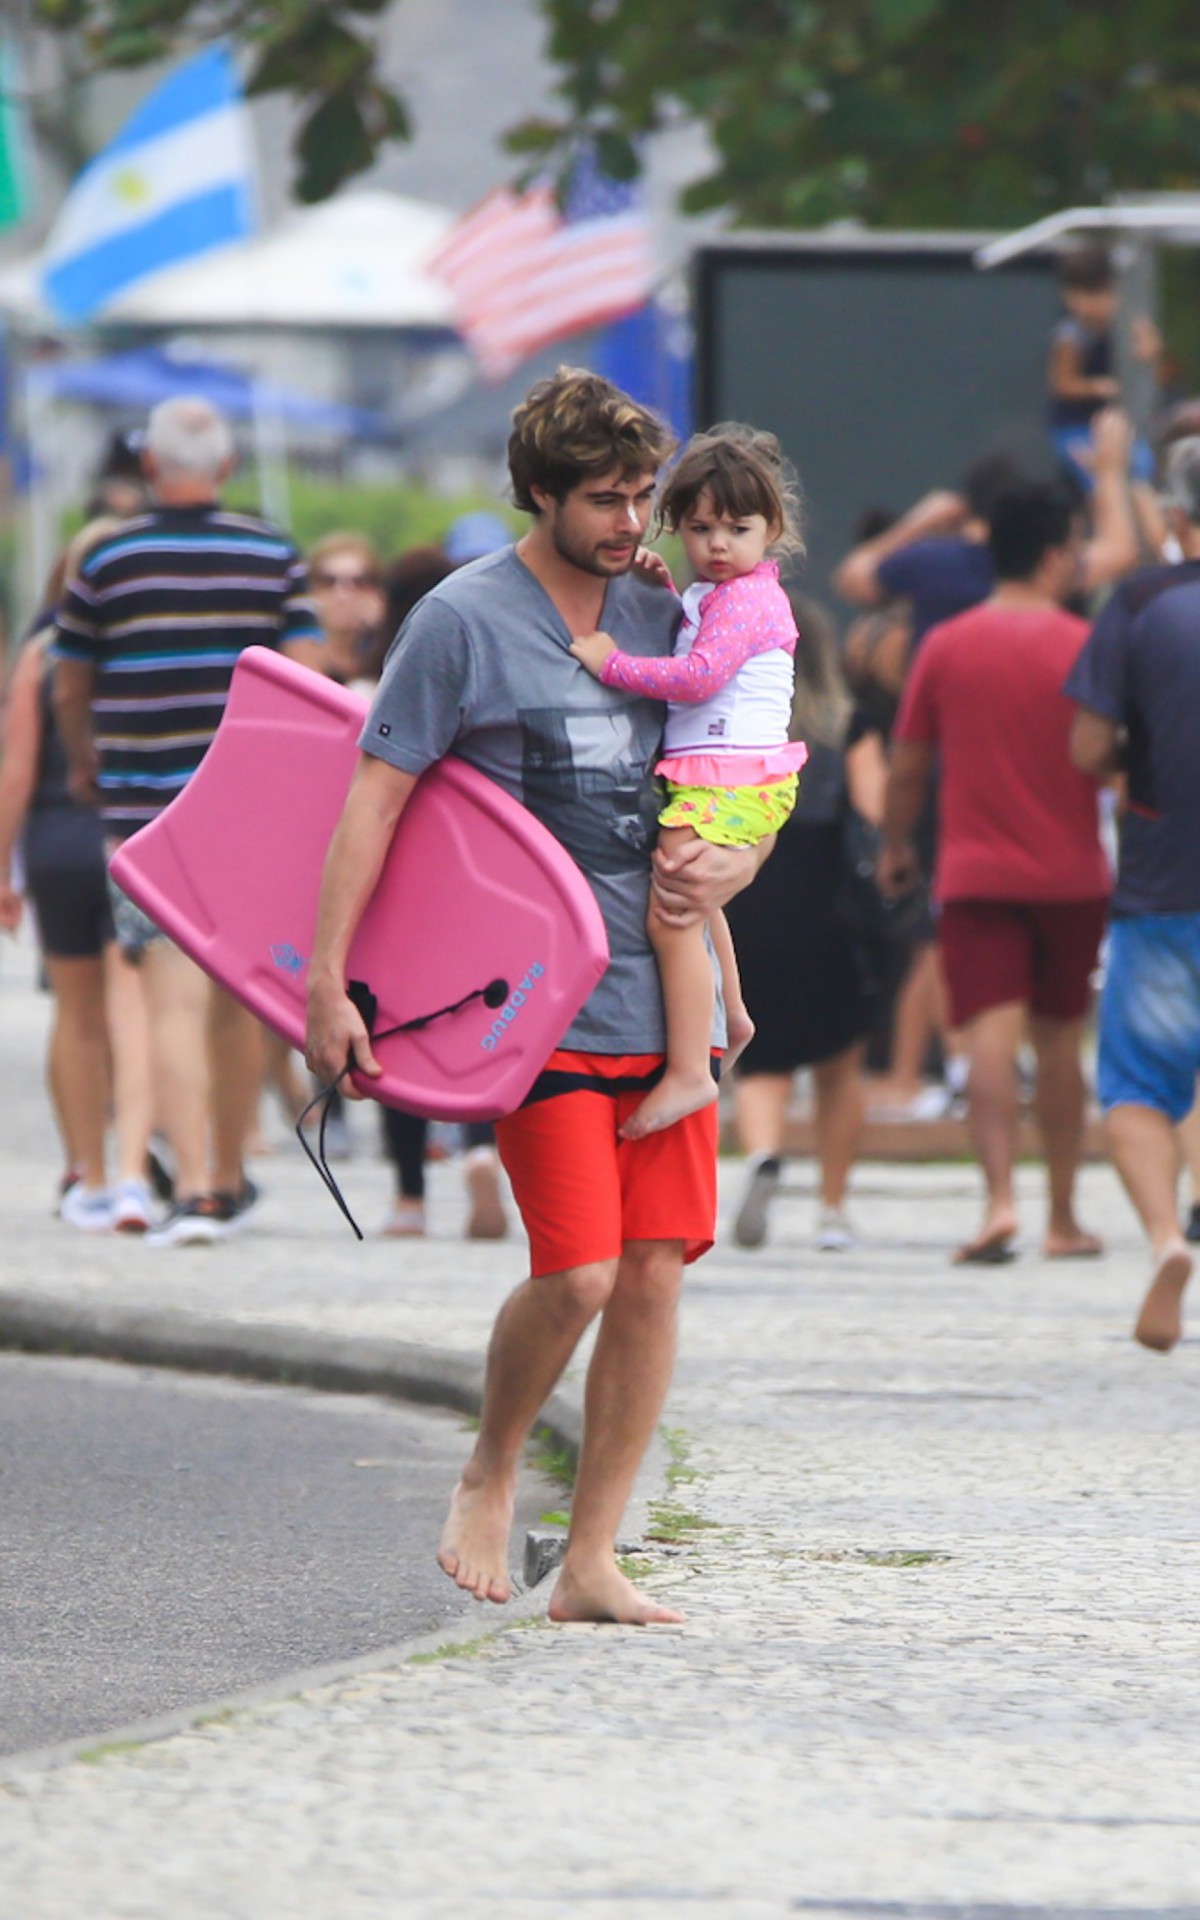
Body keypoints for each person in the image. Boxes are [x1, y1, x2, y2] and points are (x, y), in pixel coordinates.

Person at [305, 367, 767, 1624]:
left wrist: (745, 859)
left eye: (643, 498)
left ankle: (595, 1559)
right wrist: (326, 982)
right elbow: (375, 802)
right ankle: (493, 1466)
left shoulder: (673, 612)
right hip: (529, 1004)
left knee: (656, 1277)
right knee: (580, 1273)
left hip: (659, 996)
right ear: (542, 494)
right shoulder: (462, 620)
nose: (634, 522)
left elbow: (735, 773)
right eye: (607, 500)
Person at [53, 396, 323, 1248]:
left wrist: (86, 760)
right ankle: (229, 1183)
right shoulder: (273, 553)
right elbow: (308, 671)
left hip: (143, 814)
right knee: (240, 998)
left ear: (149, 467)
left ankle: (197, 1183)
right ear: (228, 468)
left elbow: (68, 680)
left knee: (168, 997)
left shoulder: (107, 558)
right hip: (249, 813)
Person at [880, 482, 1111, 1265]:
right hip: (1074, 875)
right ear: (1053, 556)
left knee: (986, 1036)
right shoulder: (1083, 643)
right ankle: (1066, 1216)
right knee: (1057, 1044)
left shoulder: (947, 644)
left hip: (975, 872)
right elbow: (1111, 759)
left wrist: (895, 846)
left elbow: (908, 764)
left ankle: (999, 1202)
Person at [569, 424, 807, 1139]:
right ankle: (730, 1013)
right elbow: (702, 641)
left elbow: (700, 675)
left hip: (730, 776)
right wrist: (668, 588)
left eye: (738, 527)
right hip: (724, 773)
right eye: (699, 528)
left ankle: (688, 1071)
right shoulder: (720, 595)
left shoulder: (747, 601)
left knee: (669, 910)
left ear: (774, 528)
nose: (717, 544)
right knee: (695, 898)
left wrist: (611, 663)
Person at [1066, 435, 1200, 1351]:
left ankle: (1163, 1236)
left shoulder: (1144, 602)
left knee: (1138, 1084)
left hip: (1161, 885)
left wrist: (1127, 767)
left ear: (1177, 518)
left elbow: (1085, 747)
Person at [0, 519, 155, 1232]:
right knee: (134, 1014)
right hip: (129, 836)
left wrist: (4, 867)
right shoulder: (147, 645)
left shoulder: (41, 652)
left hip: (56, 840)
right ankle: (132, 1175)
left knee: (75, 1014)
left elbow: (17, 770)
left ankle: (86, 1174)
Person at [726, 593, 874, 1252]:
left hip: (754, 897)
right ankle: (833, 1209)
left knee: (762, 1056)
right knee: (840, 1060)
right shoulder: (849, 726)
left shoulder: (738, 724)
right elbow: (871, 806)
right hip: (829, 903)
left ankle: (762, 1155)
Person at [1047, 244, 1161, 485]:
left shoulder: (1122, 327)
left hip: (1116, 425)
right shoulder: (1072, 336)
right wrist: (1098, 387)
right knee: (1100, 479)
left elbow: (1155, 366)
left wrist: (1148, 349)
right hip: (1077, 427)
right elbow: (1062, 383)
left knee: (1142, 469)